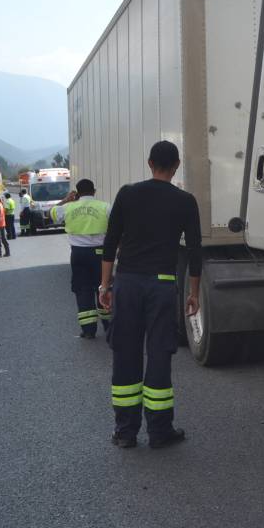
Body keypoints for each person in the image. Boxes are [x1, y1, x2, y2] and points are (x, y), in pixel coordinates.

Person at [99, 141, 201, 449]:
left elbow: (110, 241)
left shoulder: (127, 194)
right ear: (177, 166)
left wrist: (106, 286)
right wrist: (193, 293)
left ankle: (125, 432)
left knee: (125, 353)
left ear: (149, 163)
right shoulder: (185, 201)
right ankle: (159, 432)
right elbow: (195, 251)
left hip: (127, 283)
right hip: (162, 285)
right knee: (159, 355)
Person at [51, 180, 111, 339]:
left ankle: (88, 330)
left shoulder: (68, 207)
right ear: (95, 191)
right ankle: (109, 326)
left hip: (78, 254)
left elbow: (52, 213)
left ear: (77, 193)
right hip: (100, 255)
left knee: (82, 289)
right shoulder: (105, 207)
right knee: (103, 287)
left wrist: (66, 200)